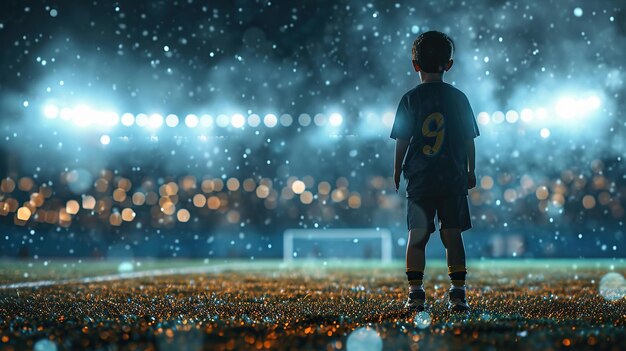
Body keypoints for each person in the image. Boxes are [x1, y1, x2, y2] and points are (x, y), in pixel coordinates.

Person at [390, 30, 480, 313]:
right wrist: (470, 169)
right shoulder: (458, 98)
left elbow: (402, 140)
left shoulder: (409, 99)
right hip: (451, 176)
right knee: (452, 235)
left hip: (421, 177)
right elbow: (469, 139)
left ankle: (416, 295)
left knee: (417, 236)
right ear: (449, 65)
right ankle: (458, 294)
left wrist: (396, 170)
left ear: (415, 65)